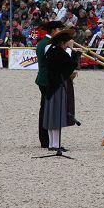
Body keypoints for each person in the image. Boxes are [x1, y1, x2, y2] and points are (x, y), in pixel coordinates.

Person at [43, 28, 80, 152]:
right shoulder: (59, 52)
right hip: (58, 86)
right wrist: (72, 50)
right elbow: (70, 66)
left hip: (51, 86)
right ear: (62, 43)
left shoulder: (51, 50)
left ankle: (52, 144)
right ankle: (56, 145)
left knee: (50, 116)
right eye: (66, 43)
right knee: (57, 116)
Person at [34, 20, 65, 148]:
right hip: (48, 80)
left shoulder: (42, 43)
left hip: (43, 79)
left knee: (45, 109)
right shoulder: (49, 44)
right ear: (53, 30)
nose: (61, 32)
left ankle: (45, 140)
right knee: (49, 111)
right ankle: (47, 141)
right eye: (59, 29)